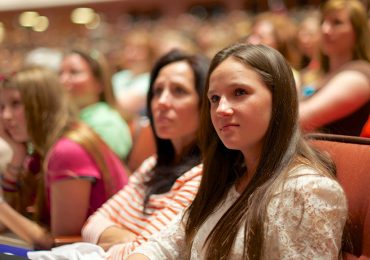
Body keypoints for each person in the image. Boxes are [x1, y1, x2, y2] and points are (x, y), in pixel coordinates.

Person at [127, 43, 348, 259]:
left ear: (278, 99)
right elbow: (162, 246)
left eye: (239, 92)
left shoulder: (310, 191)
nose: (221, 109)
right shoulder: (224, 177)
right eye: (214, 98)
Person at [76, 50, 209, 259]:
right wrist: (131, 239)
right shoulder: (152, 164)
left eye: (179, 91)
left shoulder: (203, 176)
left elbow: (142, 253)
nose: (162, 102)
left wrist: (117, 240)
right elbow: (92, 224)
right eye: (157, 91)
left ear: (205, 104)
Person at [0, 66, 129, 249]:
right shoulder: (40, 150)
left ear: (42, 103)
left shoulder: (66, 151)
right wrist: (17, 153)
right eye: (1, 106)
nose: (5, 116)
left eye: (15, 104)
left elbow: (58, 243)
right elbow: (12, 218)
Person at [299, 0, 370, 136]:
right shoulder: (317, 74)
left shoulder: (361, 73)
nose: (325, 29)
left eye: (336, 23)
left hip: (334, 156)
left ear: (357, 31)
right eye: (323, 22)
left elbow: (303, 118)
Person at [60, 49, 132, 161]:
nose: (63, 80)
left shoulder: (106, 123)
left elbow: (105, 173)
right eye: (60, 73)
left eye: (74, 72)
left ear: (99, 83)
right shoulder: (66, 118)